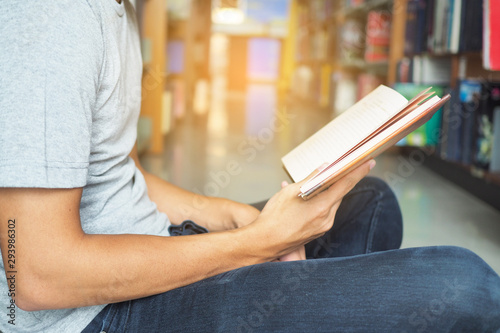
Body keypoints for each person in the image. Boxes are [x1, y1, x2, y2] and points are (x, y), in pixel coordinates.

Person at [0, 1, 499, 332]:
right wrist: (254, 244)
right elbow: (38, 276)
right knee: (467, 286)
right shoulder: (54, 16)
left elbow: (115, 166)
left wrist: (224, 214)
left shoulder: (119, 9)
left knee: (369, 203)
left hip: (136, 242)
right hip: (91, 313)